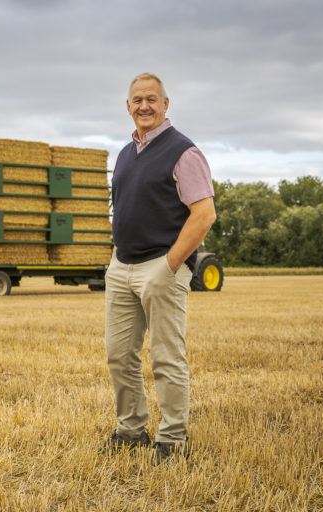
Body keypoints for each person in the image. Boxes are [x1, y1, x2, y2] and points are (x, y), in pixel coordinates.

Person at [101, 73, 216, 464]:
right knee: (119, 354)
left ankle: (172, 440)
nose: (144, 106)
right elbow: (122, 208)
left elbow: (204, 214)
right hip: (122, 267)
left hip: (161, 266)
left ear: (166, 104)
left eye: (152, 99)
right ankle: (130, 430)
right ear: (128, 106)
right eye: (137, 100)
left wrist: (169, 265)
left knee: (167, 356)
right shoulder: (123, 154)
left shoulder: (184, 152)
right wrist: (115, 255)